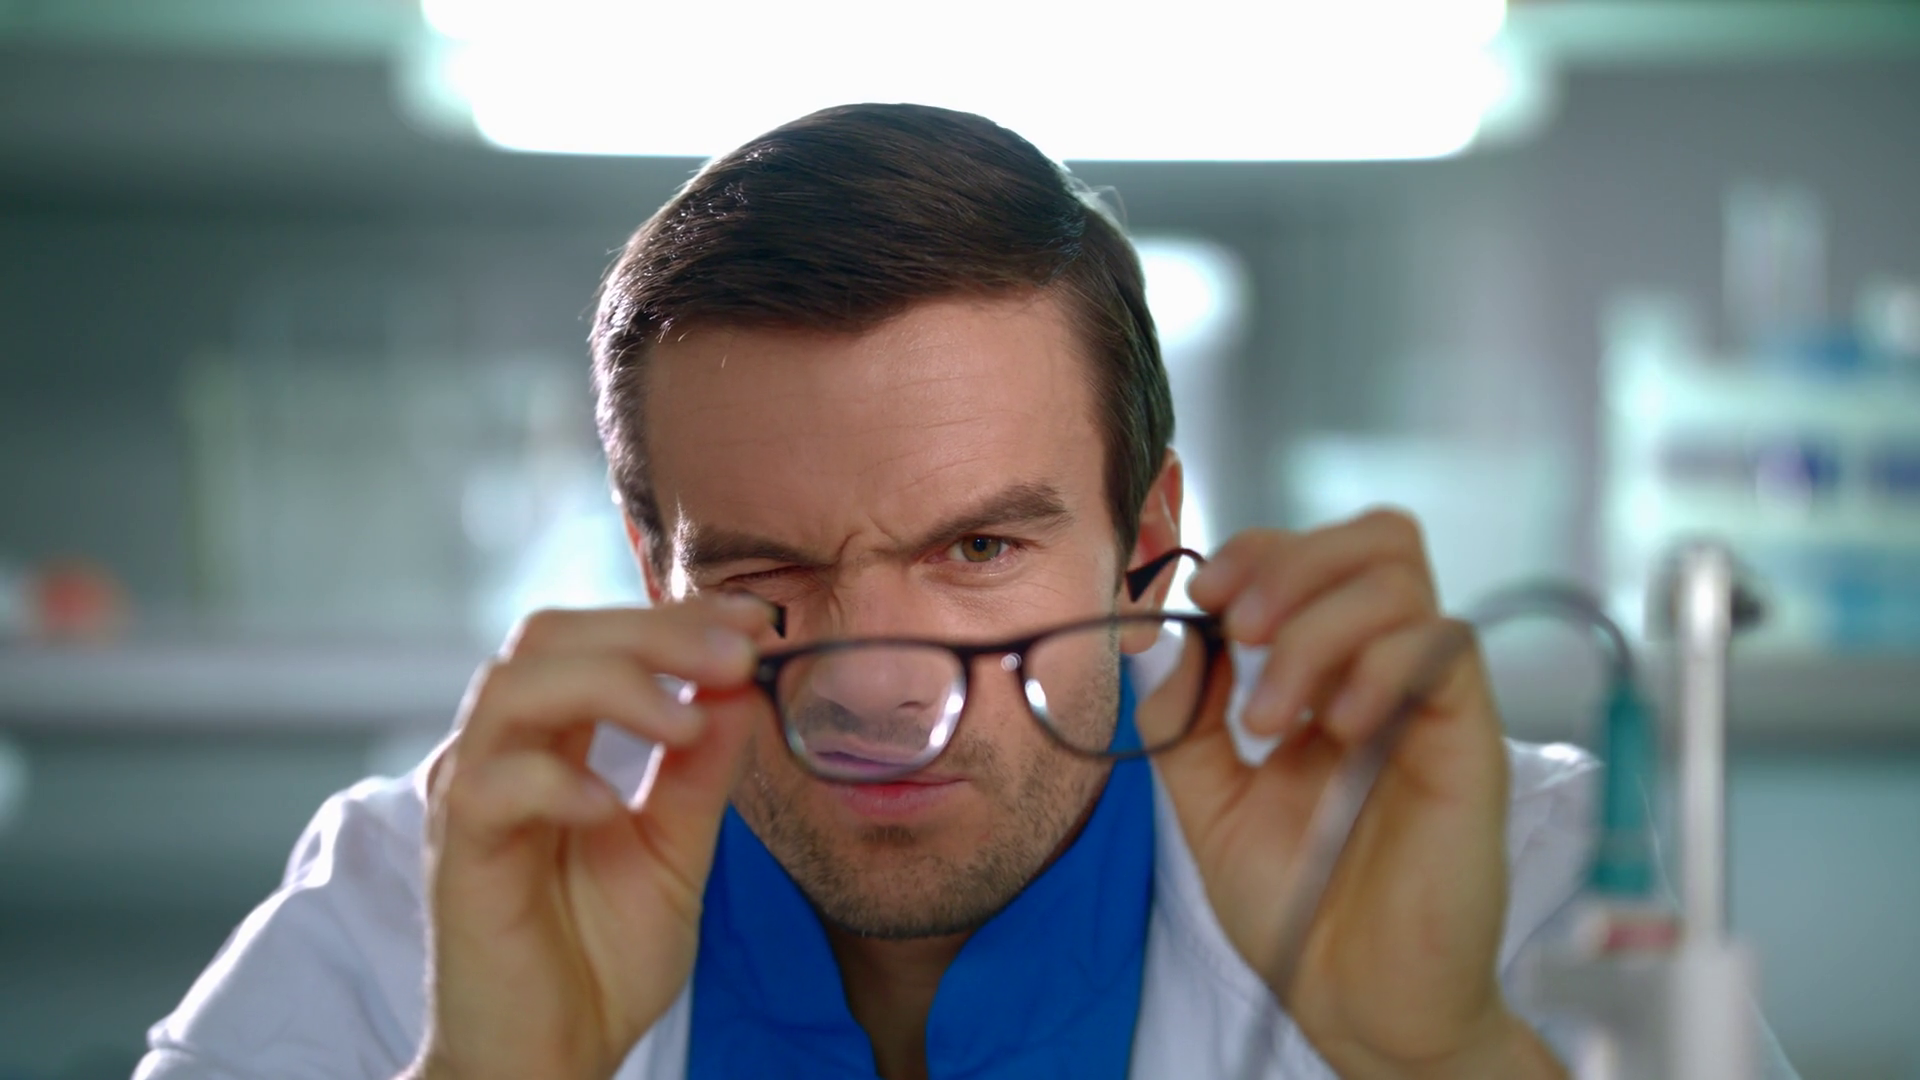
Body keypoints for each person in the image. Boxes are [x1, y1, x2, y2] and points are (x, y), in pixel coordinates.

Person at [136, 103, 1794, 1080]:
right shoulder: (406, 922)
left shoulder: (1525, 896)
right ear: (654, 573)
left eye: (981, 551)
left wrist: (1448, 1066)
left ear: (1149, 547)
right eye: (770, 573)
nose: (876, 683)